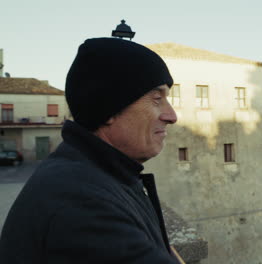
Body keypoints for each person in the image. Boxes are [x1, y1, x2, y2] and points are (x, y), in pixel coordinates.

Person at [0, 38, 181, 263]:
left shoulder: (91, 176)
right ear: (108, 110)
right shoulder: (81, 205)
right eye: (156, 99)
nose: (171, 116)